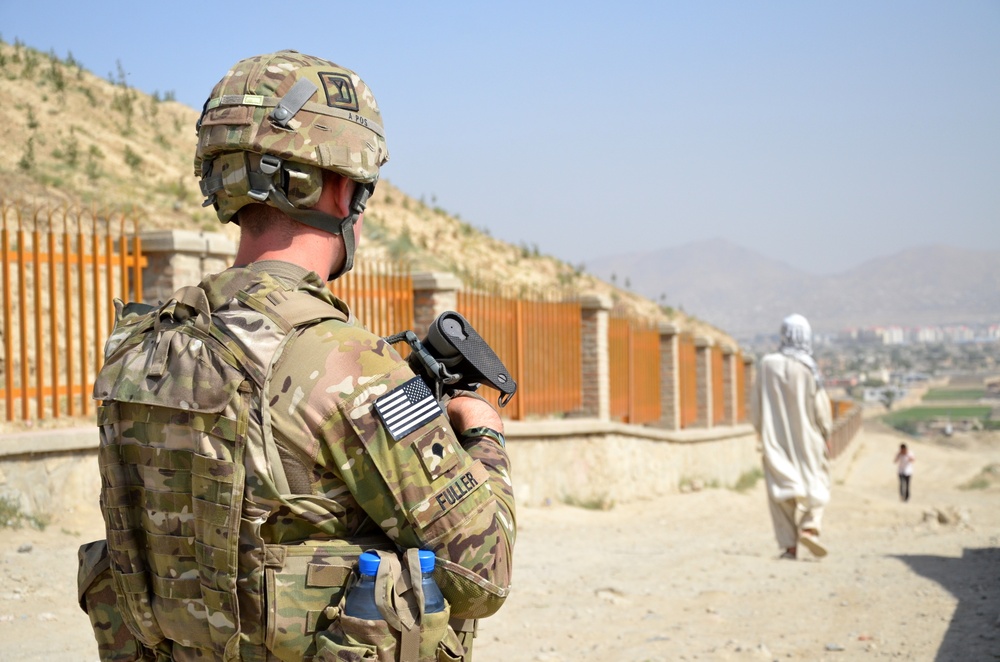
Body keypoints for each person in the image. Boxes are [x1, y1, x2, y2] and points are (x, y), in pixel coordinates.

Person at [77, 50, 515, 662]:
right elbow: (483, 573)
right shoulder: (346, 365)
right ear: (341, 189)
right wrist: (483, 436)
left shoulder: (143, 343)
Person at [751, 314, 833, 560]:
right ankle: (809, 527)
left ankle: (789, 546)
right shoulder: (808, 368)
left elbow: (755, 405)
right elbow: (820, 406)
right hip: (808, 438)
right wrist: (825, 430)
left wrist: (760, 431)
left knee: (781, 490)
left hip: (774, 438)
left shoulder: (766, 365)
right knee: (817, 483)